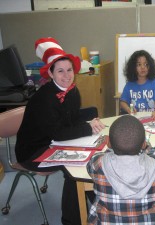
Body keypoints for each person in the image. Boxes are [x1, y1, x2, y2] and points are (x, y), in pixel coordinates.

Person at [15, 37, 105, 225]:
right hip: (34, 151)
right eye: (60, 71)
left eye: (69, 70)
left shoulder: (72, 90)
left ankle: (97, 207)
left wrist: (90, 120)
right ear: (51, 73)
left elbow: (69, 120)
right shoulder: (44, 99)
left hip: (53, 142)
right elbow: (59, 133)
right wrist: (87, 128)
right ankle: (72, 220)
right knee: (73, 168)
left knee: (90, 156)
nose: (67, 76)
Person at [86, 115, 155, 224]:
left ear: (109, 144)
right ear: (143, 144)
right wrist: (150, 149)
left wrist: (110, 149)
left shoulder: (98, 163)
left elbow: (92, 164)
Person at [120, 50, 155, 120]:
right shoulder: (129, 85)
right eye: (139, 65)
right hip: (135, 119)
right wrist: (128, 109)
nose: (142, 67)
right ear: (133, 68)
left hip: (152, 117)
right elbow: (123, 102)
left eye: (146, 64)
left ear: (150, 66)